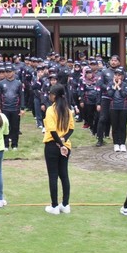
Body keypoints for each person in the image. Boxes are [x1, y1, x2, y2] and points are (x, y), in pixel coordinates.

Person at [43, 84, 75, 215]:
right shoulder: (67, 110)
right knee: (64, 175)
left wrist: (59, 144)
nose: (49, 96)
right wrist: (63, 141)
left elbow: (52, 130)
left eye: (50, 94)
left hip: (52, 145)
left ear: (54, 96)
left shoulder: (51, 110)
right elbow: (71, 129)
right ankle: (65, 204)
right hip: (65, 145)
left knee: (53, 175)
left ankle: (55, 206)